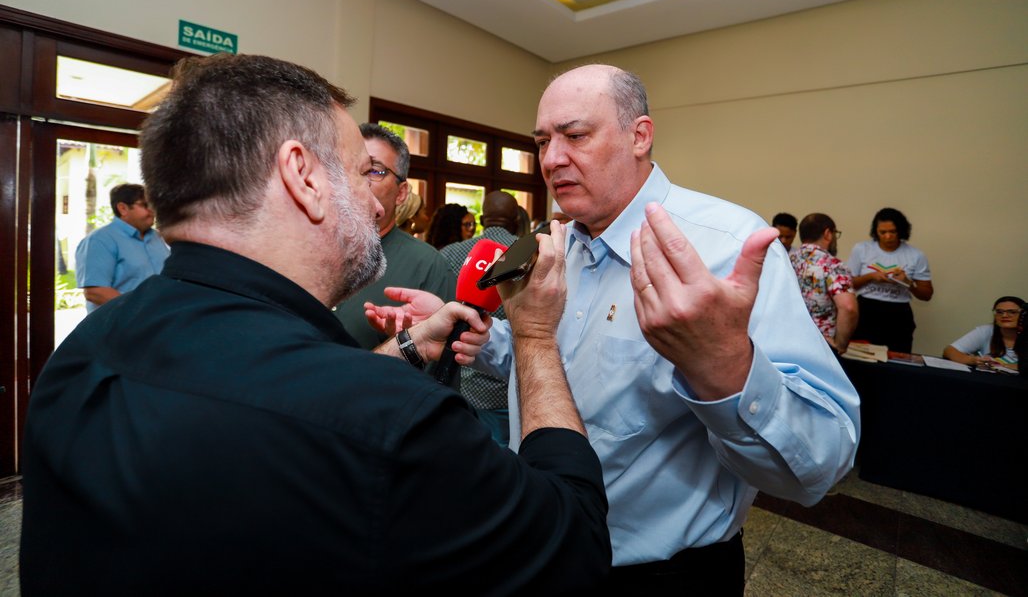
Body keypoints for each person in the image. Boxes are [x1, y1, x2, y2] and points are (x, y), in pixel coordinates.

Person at [19, 54, 611, 594]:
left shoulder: (82, 352)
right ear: (302, 176)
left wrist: (408, 344)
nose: (376, 205)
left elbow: (285, 398)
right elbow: (574, 544)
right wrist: (534, 334)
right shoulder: (390, 417)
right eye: (361, 173)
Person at [366, 64, 859, 593]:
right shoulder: (558, 243)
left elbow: (822, 460)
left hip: (660, 573)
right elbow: (564, 368)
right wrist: (487, 339)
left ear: (639, 136)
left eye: (575, 135)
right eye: (543, 141)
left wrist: (724, 368)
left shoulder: (726, 246)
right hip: (542, 540)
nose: (551, 159)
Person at [332, 123, 455, 349]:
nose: (358, 179)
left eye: (374, 170)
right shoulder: (313, 247)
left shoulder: (428, 266)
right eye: (348, 166)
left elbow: (439, 359)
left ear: (401, 193)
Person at [438, 190, 520, 445]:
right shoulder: (529, 256)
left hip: (462, 385)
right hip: (512, 391)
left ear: (483, 220)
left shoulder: (449, 253)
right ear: (517, 220)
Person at [847, 207, 933, 353]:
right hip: (866, 310)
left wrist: (908, 283)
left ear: (901, 231)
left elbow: (927, 294)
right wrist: (871, 276)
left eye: (893, 232)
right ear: (876, 232)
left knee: (897, 358)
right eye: (883, 232)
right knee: (860, 357)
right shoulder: (862, 249)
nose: (888, 237)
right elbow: (847, 284)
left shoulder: (916, 255)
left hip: (898, 314)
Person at [74, 182, 169, 312]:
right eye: (145, 205)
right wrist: (141, 312)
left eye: (153, 205)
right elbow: (95, 292)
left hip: (161, 319)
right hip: (122, 322)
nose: (152, 210)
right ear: (123, 208)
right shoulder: (100, 240)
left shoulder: (157, 238)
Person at [790, 213, 858, 354]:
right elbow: (848, 307)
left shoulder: (786, 260)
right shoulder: (832, 265)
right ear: (828, 234)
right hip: (820, 345)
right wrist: (840, 345)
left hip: (787, 337)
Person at [943, 296, 1024, 370]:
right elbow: (949, 351)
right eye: (999, 312)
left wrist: (1009, 366)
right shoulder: (985, 330)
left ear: (1024, 315)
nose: (1004, 315)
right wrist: (973, 360)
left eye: (1012, 312)